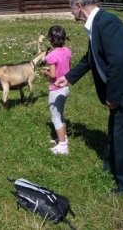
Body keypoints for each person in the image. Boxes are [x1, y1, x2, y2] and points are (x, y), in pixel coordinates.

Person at [55, 0, 123, 195]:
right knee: (115, 131)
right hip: (122, 91)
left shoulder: (107, 22)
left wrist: (113, 97)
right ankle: (111, 166)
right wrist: (69, 77)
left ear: (79, 6)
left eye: (71, 8)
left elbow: (117, 63)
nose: (71, 12)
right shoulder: (96, 24)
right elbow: (90, 58)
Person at [42, 25, 71, 155]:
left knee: (56, 118)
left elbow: (53, 75)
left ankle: (63, 146)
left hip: (56, 90)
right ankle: (62, 138)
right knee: (61, 115)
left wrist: (45, 71)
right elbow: (65, 69)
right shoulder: (67, 51)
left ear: (49, 39)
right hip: (65, 88)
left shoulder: (51, 55)